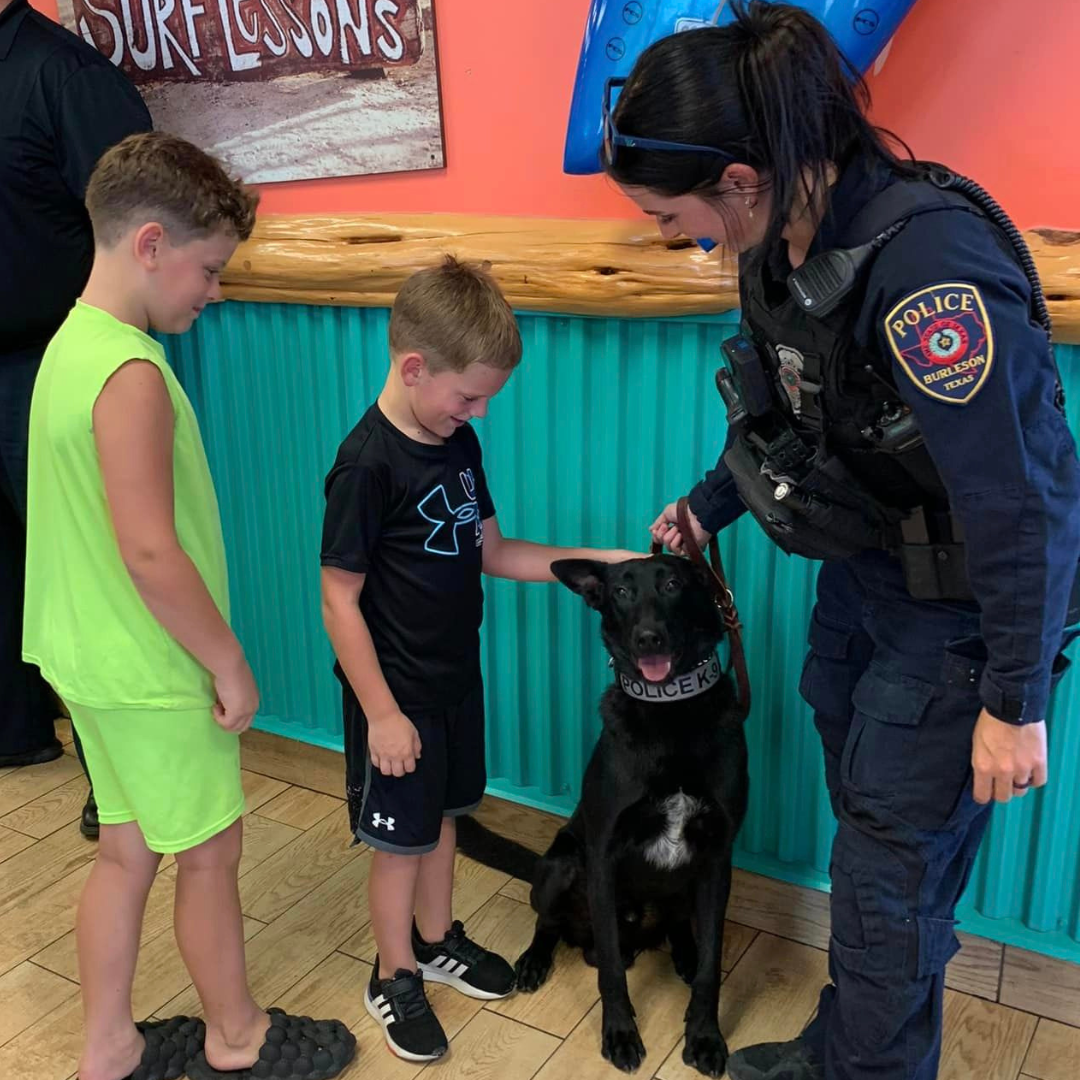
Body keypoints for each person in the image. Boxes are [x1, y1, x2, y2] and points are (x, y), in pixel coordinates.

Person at [601, 4, 1080, 1080]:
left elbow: (1019, 504)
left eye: (671, 212)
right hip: (867, 579)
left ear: (737, 176)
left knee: (885, 880)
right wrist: (703, 508)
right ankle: (852, 1051)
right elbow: (798, 420)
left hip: (959, 622)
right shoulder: (777, 244)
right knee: (876, 856)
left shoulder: (929, 272)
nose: (674, 235)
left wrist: (1014, 702)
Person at [23, 132, 356, 1080]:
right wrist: (228, 660)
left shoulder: (69, 344)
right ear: (153, 243)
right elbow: (148, 549)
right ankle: (238, 1036)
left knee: (127, 849)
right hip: (151, 668)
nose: (213, 293)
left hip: (84, 658)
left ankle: (109, 1047)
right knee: (209, 851)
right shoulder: (130, 374)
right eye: (210, 270)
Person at [320, 256, 640, 1063]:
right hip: (395, 700)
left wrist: (598, 560)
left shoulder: (455, 443)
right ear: (413, 367)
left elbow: (494, 551)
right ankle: (393, 974)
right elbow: (338, 599)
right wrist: (384, 714)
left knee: (445, 823)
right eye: (470, 396)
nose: (482, 412)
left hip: (457, 680)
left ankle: (436, 942)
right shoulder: (367, 465)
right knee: (401, 846)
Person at [0, 0, 153, 837]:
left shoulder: (66, 75)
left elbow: (138, 232)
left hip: (51, 366)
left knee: (88, 574)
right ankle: (18, 733)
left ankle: (119, 777)